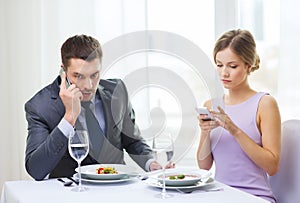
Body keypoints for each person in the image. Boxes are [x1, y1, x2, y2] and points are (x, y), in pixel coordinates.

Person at [25, 34, 164, 181]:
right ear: (63, 72)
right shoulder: (40, 107)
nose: (88, 86)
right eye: (78, 76)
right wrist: (69, 118)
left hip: (117, 189)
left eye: (94, 75)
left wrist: (151, 163)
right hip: (71, 194)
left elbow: (133, 141)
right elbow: (36, 170)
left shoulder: (117, 92)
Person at [196, 29, 281, 203]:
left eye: (232, 66)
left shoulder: (265, 104)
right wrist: (205, 132)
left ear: (248, 66)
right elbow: (204, 167)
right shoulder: (211, 106)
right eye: (219, 65)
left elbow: (272, 167)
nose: (223, 73)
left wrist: (234, 130)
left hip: (255, 197)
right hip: (219, 195)